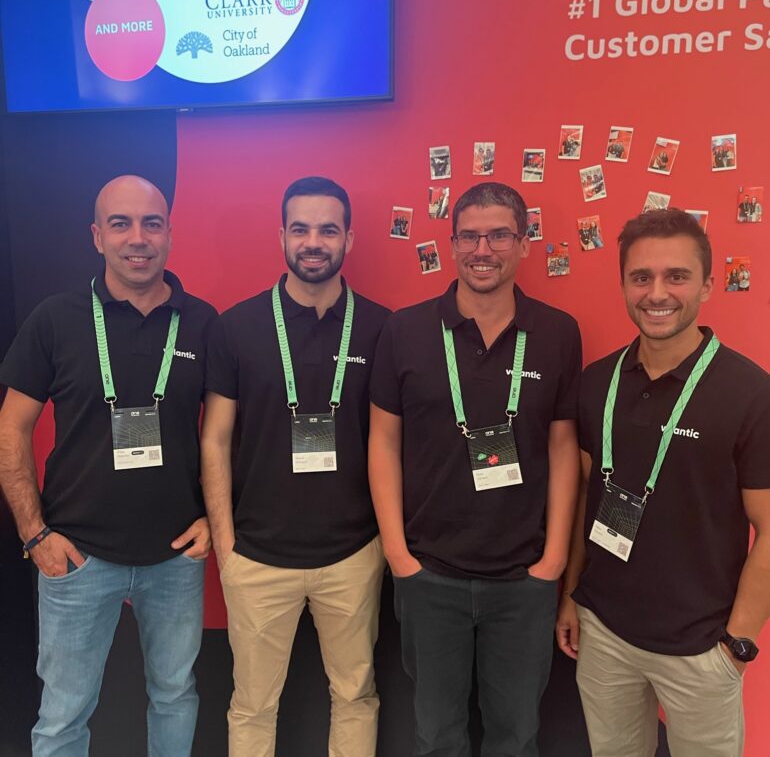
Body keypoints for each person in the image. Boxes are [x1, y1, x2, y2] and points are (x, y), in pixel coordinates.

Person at [0, 175, 216, 757]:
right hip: (76, 556)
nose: (137, 238)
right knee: (63, 715)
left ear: (170, 233)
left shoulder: (201, 322)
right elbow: (11, 427)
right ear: (97, 236)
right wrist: (33, 533)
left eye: (151, 223)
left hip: (174, 556)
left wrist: (215, 521)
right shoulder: (55, 318)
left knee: (175, 694)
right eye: (120, 224)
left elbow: (227, 434)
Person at [369, 181, 582, 757]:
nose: (482, 249)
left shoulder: (558, 333)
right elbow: (383, 442)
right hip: (428, 573)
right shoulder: (405, 330)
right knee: (436, 735)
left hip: (523, 580)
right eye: (469, 236)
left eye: (498, 235)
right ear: (451, 242)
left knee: (516, 734)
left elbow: (564, 450)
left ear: (523, 244)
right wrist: (398, 556)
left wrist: (554, 561)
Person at [557, 208, 770, 757]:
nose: (657, 293)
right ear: (624, 284)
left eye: (676, 276)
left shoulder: (750, 393)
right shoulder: (596, 382)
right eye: (641, 277)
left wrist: (737, 643)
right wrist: (570, 598)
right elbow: (586, 498)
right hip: (603, 632)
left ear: (707, 283)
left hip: (700, 647)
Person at [202, 176, 390, 757]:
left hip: (353, 553)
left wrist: (385, 541)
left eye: (328, 229)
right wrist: (227, 547)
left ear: (349, 239)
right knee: (253, 704)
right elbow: (214, 438)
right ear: (281, 235)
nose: (314, 241)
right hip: (257, 557)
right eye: (301, 228)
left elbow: (392, 443)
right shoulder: (236, 326)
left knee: (355, 696)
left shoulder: (385, 328)